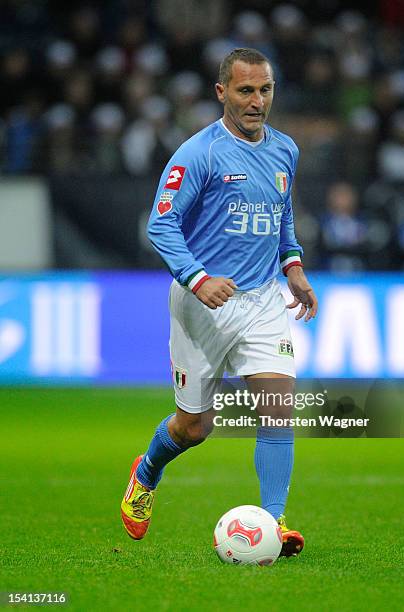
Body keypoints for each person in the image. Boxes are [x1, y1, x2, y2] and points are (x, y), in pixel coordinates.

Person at [120, 48, 318, 558]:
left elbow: (281, 213)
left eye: (265, 90)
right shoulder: (197, 153)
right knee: (194, 427)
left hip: (261, 302)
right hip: (201, 304)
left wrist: (292, 266)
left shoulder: (285, 150)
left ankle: (274, 525)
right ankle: (146, 471)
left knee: (277, 409)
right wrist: (197, 277)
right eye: (245, 90)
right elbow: (160, 224)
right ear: (221, 92)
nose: (256, 101)